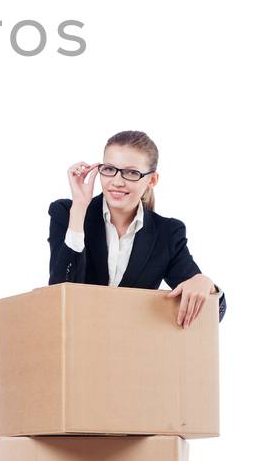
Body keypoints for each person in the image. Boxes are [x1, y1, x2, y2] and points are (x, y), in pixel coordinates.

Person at [48, 129, 225, 326]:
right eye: (109, 169)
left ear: (152, 180)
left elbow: (212, 315)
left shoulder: (167, 234)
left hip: (132, 350)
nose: (116, 181)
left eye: (131, 172)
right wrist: (79, 208)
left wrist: (205, 284)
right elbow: (57, 296)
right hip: (75, 344)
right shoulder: (67, 213)